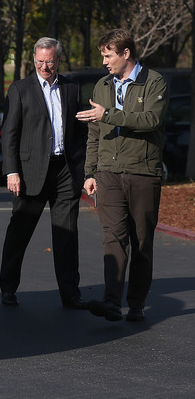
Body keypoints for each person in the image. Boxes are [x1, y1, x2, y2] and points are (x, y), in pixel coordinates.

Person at [76, 29, 168, 322]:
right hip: (109, 174)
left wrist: (108, 115)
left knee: (141, 241)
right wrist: (90, 172)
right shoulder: (102, 85)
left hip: (143, 172)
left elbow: (150, 120)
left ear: (125, 54)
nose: (104, 61)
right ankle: (112, 302)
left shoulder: (154, 82)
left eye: (108, 55)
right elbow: (94, 133)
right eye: (103, 55)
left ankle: (136, 304)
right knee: (112, 238)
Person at [0, 37, 88, 309]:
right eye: (39, 61)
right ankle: (8, 288)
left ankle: (70, 293)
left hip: (65, 171)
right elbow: (9, 134)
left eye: (49, 61)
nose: (44, 66)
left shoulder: (72, 89)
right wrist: (11, 170)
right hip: (30, 172)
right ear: (33, 60)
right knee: (19, 233)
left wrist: (84, 169)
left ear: (58, 60)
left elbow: (81, 132)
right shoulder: (20, 89)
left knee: (67, 234)